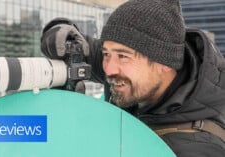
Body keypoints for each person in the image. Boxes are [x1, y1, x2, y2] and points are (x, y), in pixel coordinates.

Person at [40, 0, 225, 156]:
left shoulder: (196, 148)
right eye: (106, 53)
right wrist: (61, 31)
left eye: (123, 56)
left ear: (165, 63)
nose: (109, 69)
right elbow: (85, 47)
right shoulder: (139, 76)